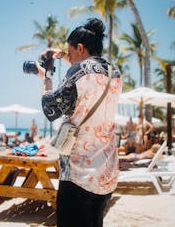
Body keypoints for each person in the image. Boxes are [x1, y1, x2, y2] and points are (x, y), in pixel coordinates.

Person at [34, 17, 122, 227]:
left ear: (81, 48)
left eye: (71, 52)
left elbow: (51, 108)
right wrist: (65, 54)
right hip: (106, 172)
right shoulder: (114, 72)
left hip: (79, 174)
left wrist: (45, 78)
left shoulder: (78, 71)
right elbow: (87, 72)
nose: (70, 59)